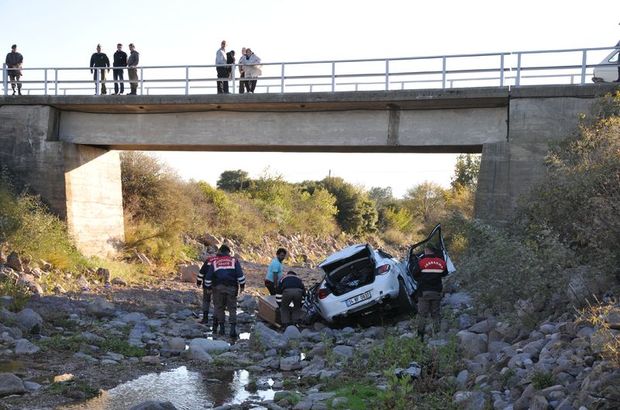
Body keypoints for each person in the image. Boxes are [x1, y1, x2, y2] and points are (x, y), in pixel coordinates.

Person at [204, 244, 245, 337]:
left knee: (219, 307)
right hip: (232, 287)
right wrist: (242, 286)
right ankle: (232, 329)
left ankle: (221, 329)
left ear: (220, 252)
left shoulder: (215, 262)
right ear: (229, 252)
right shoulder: (234, 260)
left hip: (218, 288)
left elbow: (208, 277)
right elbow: (240, 275)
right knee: (232, 308)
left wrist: (208, 288)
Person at [412, 246, 448, 341]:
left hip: (424, 292)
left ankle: (420, 337)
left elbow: (414, 274)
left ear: (427, 251)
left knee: (422, 315)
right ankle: (437, 334)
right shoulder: (441, 262)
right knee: (435, 314)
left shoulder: (421, 262)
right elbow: (444, 273)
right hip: (436, 291)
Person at [197, 254, 216, 327]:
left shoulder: (208, 260)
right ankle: (216, 319)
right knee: (217, 302)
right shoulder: (222, 261)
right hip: (218, 285)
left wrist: (199, 282)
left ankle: (205, 318)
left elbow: (201, 272)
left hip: (206, 284)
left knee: (206, 301)